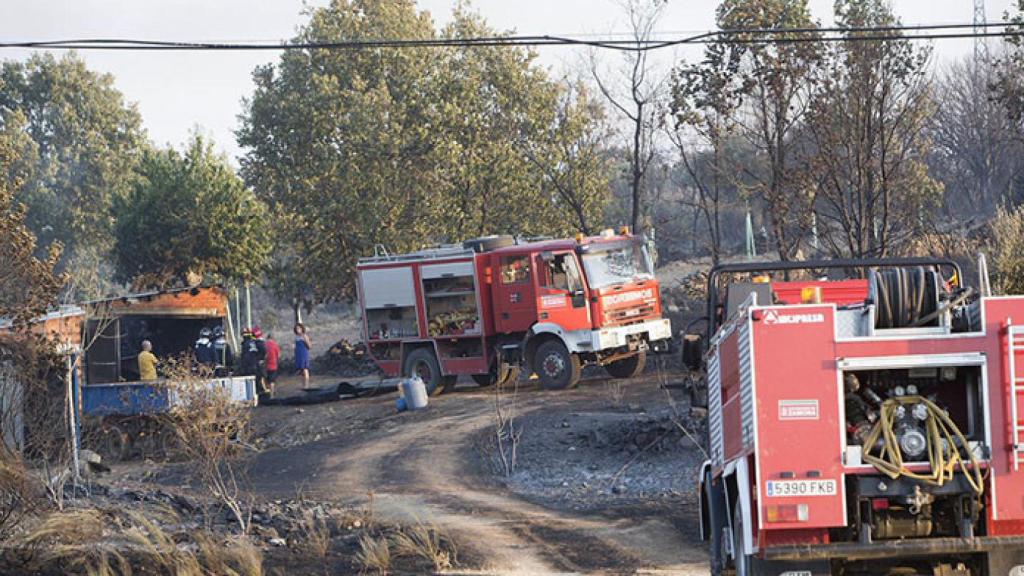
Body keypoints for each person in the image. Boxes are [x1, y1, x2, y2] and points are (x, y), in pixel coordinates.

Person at [294, 323, 311, 389]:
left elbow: (309, 346)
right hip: (298, 354)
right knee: (301, 370)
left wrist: (305, 341)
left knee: (305, 369)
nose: (298, 330)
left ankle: (306, 385)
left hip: (304, 353)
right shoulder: (296, 337)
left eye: (299, 328)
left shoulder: (304, 336)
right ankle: (303, 385)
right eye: (296, 329)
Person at [264, 332, 280, 398]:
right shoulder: (275, 345)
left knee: (267, 379)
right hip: (273, 365)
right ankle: (271, 395)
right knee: (272, 381)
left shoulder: (265, 344)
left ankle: (268, 392)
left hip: (266, 365)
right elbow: (278, 355)